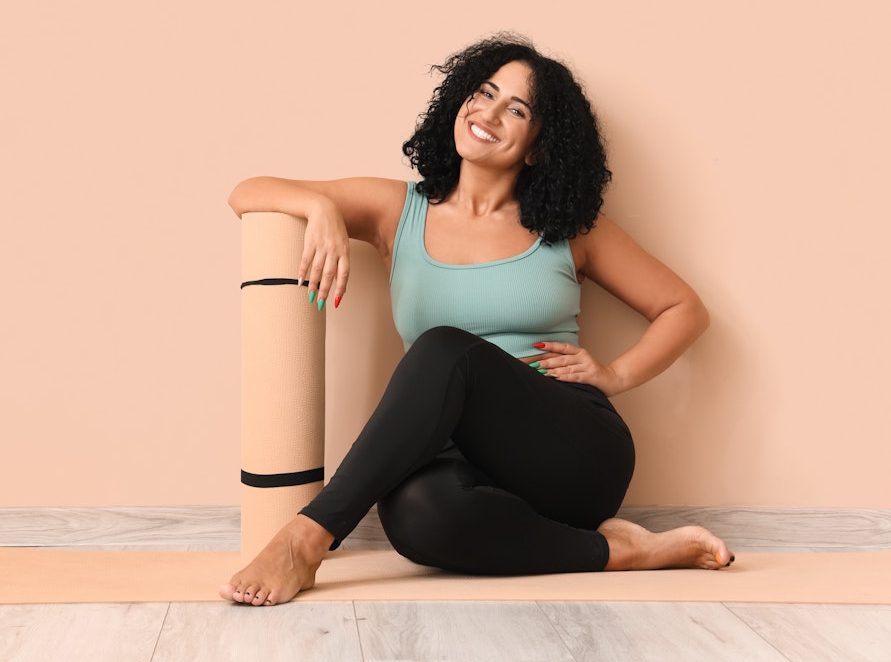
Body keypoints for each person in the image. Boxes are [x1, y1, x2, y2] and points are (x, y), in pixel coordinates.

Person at [221, 33, 732, 607]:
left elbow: (684, 309)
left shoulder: (569, 229)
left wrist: (613, 375)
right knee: (417, 518)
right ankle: (624, 553)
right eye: (483, 94)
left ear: (538, 146)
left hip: (571, 452)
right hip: (460, 460)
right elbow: (248, 192)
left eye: (515, 109)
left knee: (444, 349)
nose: (487, 113)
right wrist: (319, 206)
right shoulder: (398, 209)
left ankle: (303, 540)